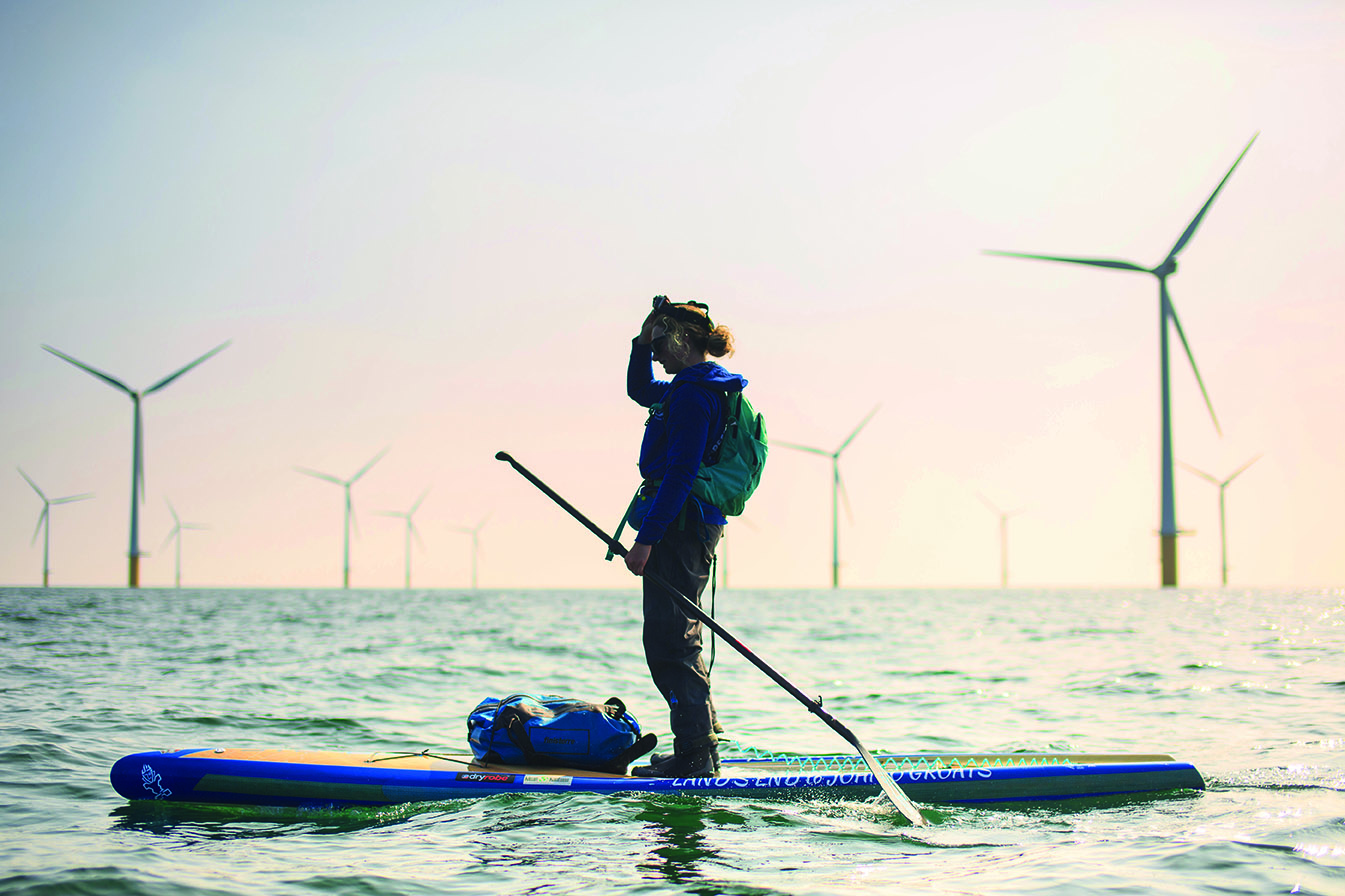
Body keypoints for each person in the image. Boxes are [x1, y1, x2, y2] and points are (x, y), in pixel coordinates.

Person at [623, 296, 746, 778]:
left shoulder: (694, 396)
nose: (655, 355)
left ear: (680, 340)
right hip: (687, 522)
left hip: (679, 525)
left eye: (659, 344)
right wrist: (639, 338)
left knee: (670, 641)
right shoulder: (690, 388)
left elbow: (679, 473)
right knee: (680, 636)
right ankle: (701, 745)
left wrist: (646, 539)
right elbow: (639, 389)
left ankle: (695, 755)